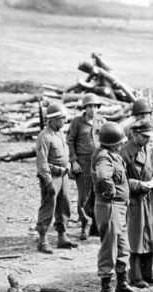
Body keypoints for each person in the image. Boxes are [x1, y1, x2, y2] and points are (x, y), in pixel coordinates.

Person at [91, 122, 140, 292]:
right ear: (112, 143)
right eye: (119, 142)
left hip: (119, 208)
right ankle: (106, 289)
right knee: (109, 247)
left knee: (122, 247)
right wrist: (110, 189)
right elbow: (103, 175)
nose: (122, 144)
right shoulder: (104, 157)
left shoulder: (115, 156)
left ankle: (122, 283)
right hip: (109, 207)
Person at [121, 121, 153, 288]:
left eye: (150, 137)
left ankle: (148, 273)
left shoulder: (148, 149)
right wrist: (139, 185)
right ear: (135, 135)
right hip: (134, 200)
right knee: (136, 238)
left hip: (150, 197)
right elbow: (121, 180)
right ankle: (136, 276)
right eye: (144, 137)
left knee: (150, 235)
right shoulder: (125, 152)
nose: (148, 140)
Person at [35, 103, 76, 254]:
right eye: (61, 118)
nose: (64, 121)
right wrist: (48, 180)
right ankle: (42, 240)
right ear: (52, 120)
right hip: (52, 176)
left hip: (63, 175)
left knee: (64, 206)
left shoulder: (59, 133)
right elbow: (42, 161)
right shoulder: (44, 137)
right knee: (48, 207)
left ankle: (62, 236)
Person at [67, 93, 103, 240]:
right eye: (90, 106)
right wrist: (74, 161)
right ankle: (85, 225)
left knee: (98, 194)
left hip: (99, 163)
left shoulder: (101, 122)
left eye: (95, 106)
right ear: (85, 107)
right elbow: (70, 142)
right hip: (83, 162)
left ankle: (96, 226)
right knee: (84, 196)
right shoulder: (77, 122)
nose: (93, 109)